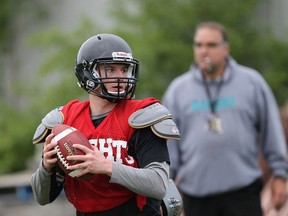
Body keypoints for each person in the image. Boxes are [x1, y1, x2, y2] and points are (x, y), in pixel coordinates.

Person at [31, 33, 181, 216]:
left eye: (124, 69)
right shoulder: (65, 120)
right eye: (110, 69)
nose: (121, 77)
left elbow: (158, 185)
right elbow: (42, 197)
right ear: (87, 73)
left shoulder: (142, 116)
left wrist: (106, 166)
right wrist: (45, 168)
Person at [162, 21, 288, 216]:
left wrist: (280, 174)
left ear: (226, 49)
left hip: (243, 193)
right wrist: (165, 184)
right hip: (196, 196)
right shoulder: (177, 91)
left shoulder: (251, 83)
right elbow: (169, 146)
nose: (204, 51)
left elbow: (271, 130)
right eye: (199, 45)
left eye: (211, 45)